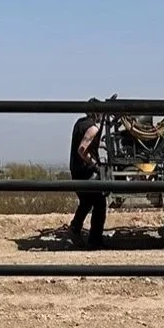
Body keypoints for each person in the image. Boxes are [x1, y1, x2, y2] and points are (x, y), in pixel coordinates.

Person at [67, 102, 106, 248]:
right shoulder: (93, 128)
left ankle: (75, 229)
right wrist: (94, 165)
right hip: (85, 171)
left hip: (76, 169)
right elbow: (82, 149)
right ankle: (94, 240)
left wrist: (99, 145)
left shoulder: (80, 123)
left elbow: (85, 142)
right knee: (100, 203)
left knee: (86, 201)